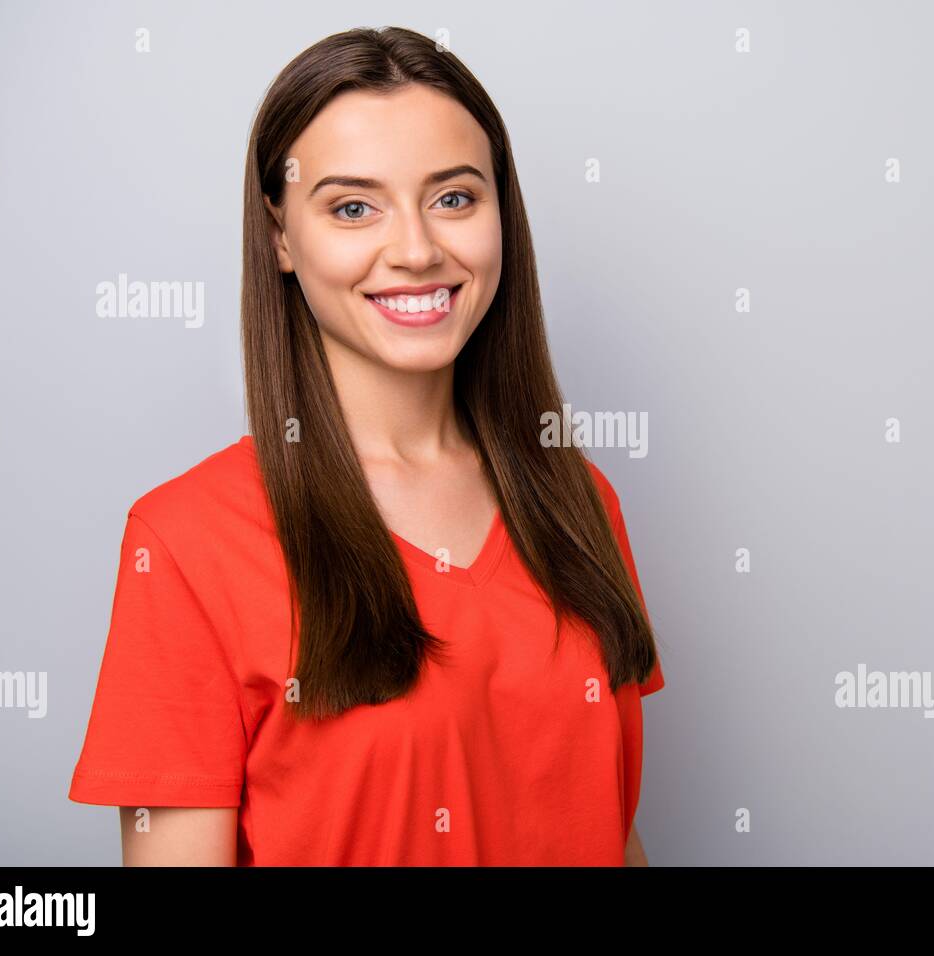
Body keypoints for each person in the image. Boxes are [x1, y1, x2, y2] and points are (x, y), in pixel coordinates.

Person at [68, 26, 665, 866]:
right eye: (353, 207)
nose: (418, 250)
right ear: (280, 236)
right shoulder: (185, 544)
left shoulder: (579, 502)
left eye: (454, 197)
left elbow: (610, 828)